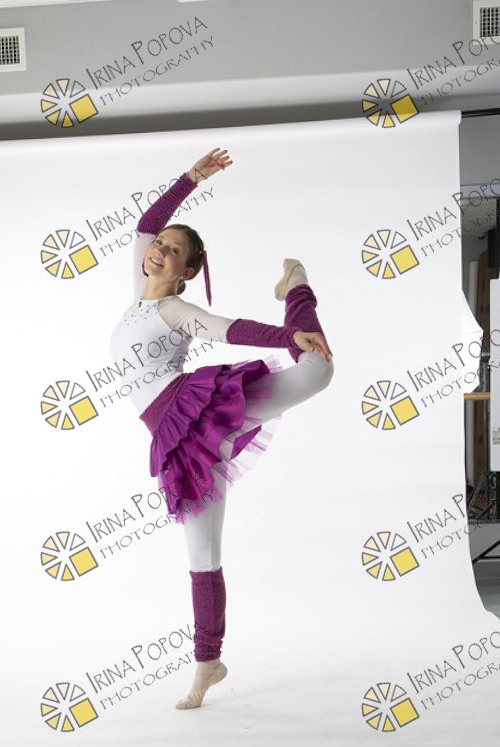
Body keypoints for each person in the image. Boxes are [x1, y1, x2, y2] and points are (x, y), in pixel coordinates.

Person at [110, 148, 334, 709]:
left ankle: (298, 288)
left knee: (317, 371)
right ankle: (208, 662)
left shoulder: (175, 311)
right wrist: (191, 178)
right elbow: (146, 223)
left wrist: (288, 335)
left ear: (187, 272)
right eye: (161, 245)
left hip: (199, 410)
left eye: (173, 251)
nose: (159, 251)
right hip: (175, 440)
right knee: (202, 553)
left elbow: (227, 327)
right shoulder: (138, 290)